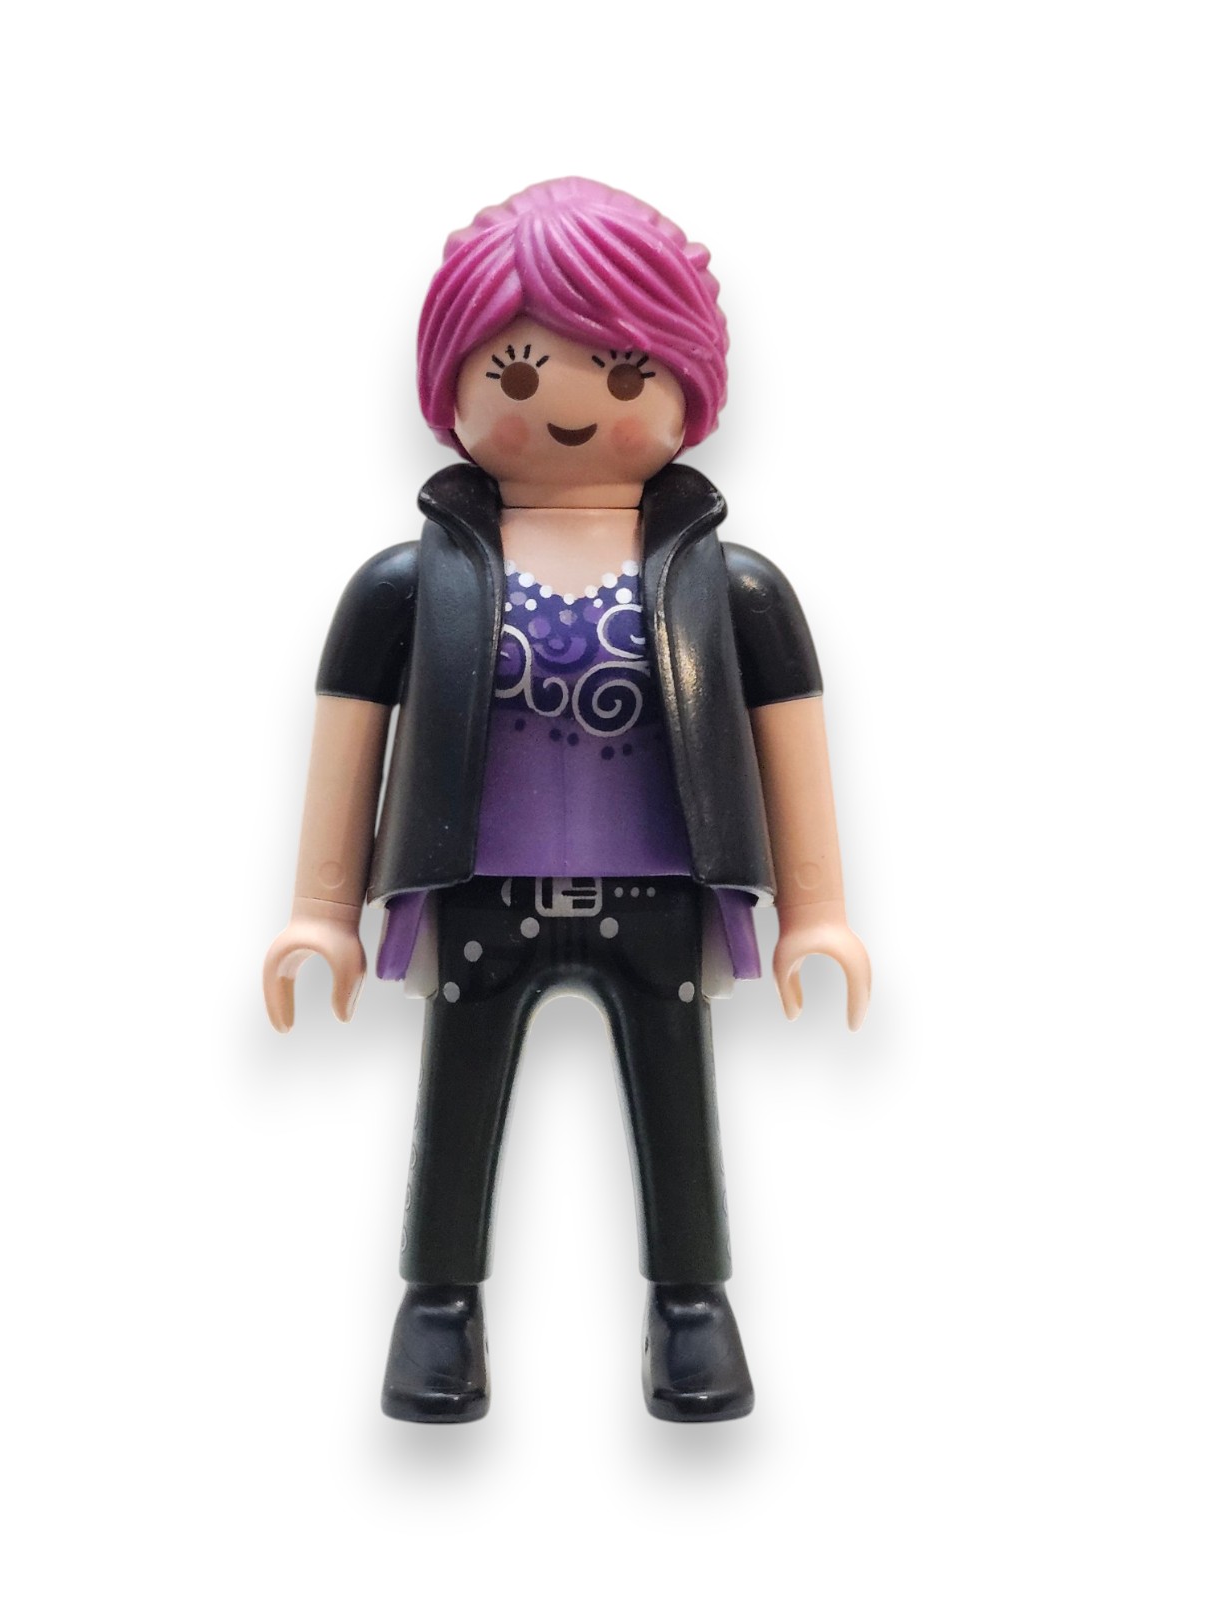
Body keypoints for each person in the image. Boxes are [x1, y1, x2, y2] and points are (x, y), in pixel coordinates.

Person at [262, 177, 871, 1423]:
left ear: (688, 387)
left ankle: (691, 1306)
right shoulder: (405, 584)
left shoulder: (734, 588)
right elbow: (350, 738)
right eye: (520, 372)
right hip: (477, 897)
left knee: (677, 1097)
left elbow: (790, 741)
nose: (574, 404)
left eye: (628, 370)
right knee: (457, 1093)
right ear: (453, 386)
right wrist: (321, 911)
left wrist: (817, 911)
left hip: (662, 903)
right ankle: (438, 1306)